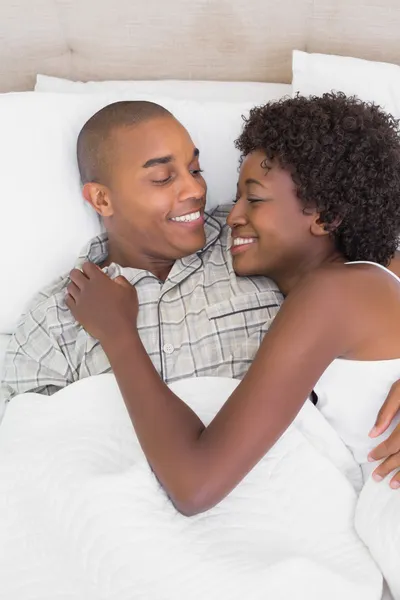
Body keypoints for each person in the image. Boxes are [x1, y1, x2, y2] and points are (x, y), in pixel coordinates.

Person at [64, 93, 400, 516]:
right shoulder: (366, 279)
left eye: (254, 199)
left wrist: (118, 334)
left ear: (325, 216)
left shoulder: (332, 294)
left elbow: (195, 486)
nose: (231, 215)